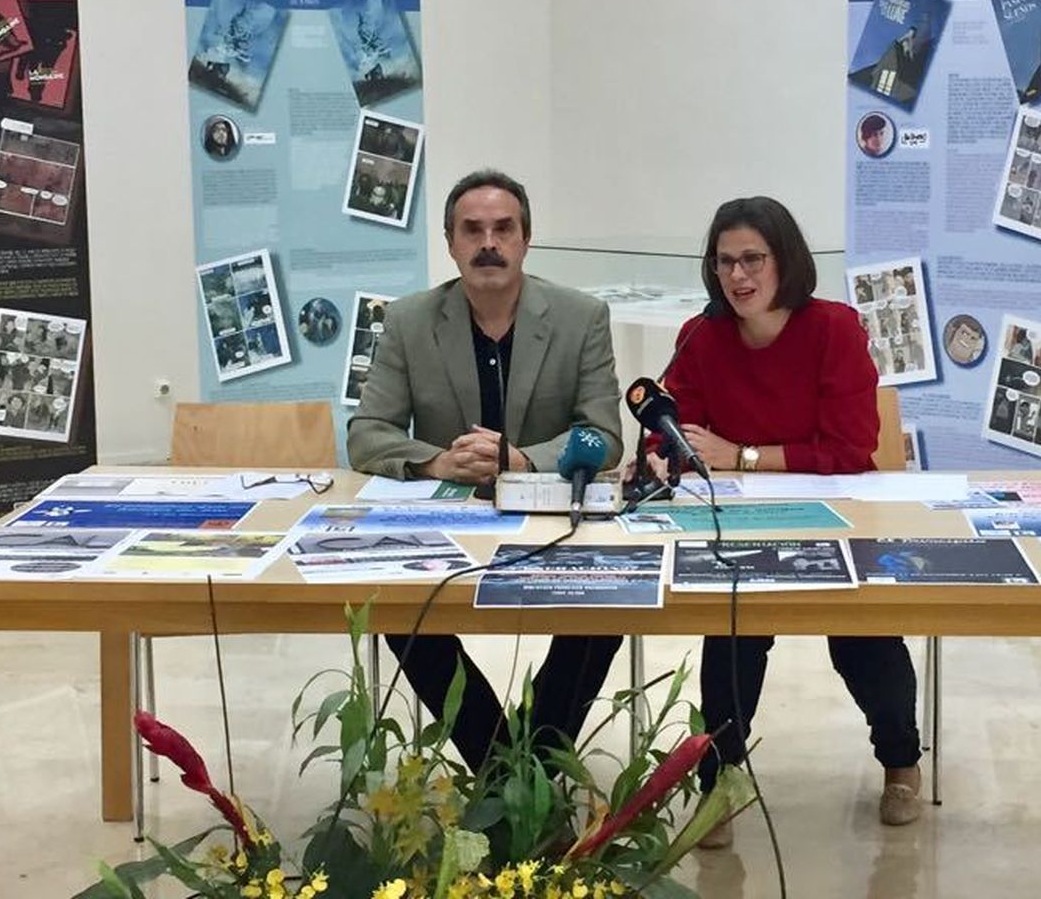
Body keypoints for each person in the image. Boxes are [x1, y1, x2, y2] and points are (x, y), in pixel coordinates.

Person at [645, 195, 924, 844]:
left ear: (784, 261)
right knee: (734, 629)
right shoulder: (701, 335)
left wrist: (741, 454)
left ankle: (901, 763)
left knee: (862, 637)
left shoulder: (834, 328)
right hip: (743, 524)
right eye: (724, 263)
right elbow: (670, 426)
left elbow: (852, 450)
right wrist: (667, 455)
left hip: (840, 515)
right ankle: (720, 783)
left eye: (752, 260)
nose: (738, 277)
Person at [347, 168, 625, 770]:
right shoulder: (409, 320)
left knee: (608, 608)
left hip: (553, 519)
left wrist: (525, 460)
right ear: (450, 243)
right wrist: (437, 460)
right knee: (400, 608)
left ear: (526, 239)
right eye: (472, 230)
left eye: (504, 228)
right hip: (452, 519)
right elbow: (367, 435)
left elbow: (603, 436)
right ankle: (501, 768)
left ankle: (538, 761)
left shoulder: (581, 318)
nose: (488, 243)